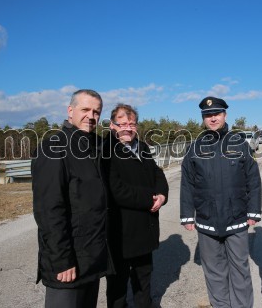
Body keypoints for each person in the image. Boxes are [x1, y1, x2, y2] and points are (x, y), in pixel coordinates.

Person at [180, 96, 262, 308]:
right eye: (208, 115)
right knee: (214, 273)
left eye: (216, 113)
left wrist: (254, 211)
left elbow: (253, 179)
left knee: (240, 270)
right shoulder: (194, 148)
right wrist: (187, 215)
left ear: (225, 115)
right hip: (207, 221)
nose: (213, 118)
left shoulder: (240, 144)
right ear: (203, 118)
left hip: (236, 219)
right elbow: (187, 183)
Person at [32, 89, 111, 308]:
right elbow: (49, 212)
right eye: (85, 109)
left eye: (97, 111)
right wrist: (61, 260)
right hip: (67, 262)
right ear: (70, 110)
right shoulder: (54, 148)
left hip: (91, 257)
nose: (91, 116)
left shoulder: (93, 147)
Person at [104, 104, 168, 308]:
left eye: (131, 124)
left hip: (144, 228)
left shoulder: (142, 147)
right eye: (122, 124)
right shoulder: (106, 150)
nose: (127, 128)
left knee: (144, 278)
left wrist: (162, 195)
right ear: (112, 126)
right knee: (118, 285)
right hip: (121, 231)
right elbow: (116, 189)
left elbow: (157, 172)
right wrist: (150, 199)